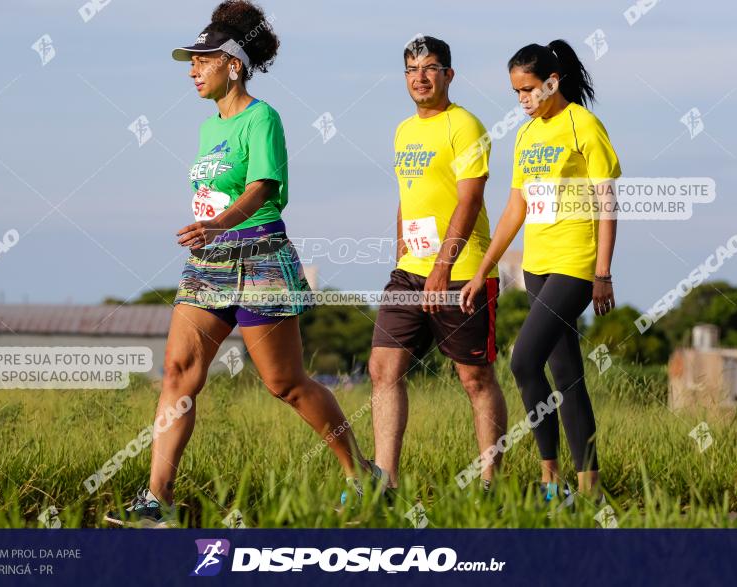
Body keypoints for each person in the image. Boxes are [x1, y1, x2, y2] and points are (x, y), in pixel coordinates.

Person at [106, 0, 382, 528]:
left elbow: (261, 188)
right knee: (177, 376)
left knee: (286, 384)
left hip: (259, 257)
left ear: (232, 63)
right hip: (208, 263)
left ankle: (360, 474)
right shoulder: (209, 129)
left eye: (201, 60)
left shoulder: (263, 118)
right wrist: (208, 233)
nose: (191, 70)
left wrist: (219, 223)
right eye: (190, 61)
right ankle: (155, 503)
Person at [461, 39, 620, 502]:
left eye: (530, 89)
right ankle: (588, 491)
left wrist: (602, 272)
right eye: (516, 92)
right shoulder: (526, 135)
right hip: (537, 266)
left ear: (553, 81)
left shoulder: (584, 126)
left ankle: (551, 480)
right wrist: (482, 270)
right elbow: (515, 209)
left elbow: (607, 205)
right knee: (567, 374)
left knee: (522, 361)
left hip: (575, 263)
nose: (523, 100)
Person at [370, 36, 508, 493]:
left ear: (449, 74)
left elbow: (470, 200)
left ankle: (490, 482)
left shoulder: (465, 125)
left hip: (462, 271)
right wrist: (401, 258)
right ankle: (385, 484)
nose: (420, 77)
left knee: (474, 378)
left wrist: (443, 268)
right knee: (383, 369)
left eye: (430, 68)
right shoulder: (402, 130)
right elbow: (407, 201)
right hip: (410, 270)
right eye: (411, 69)